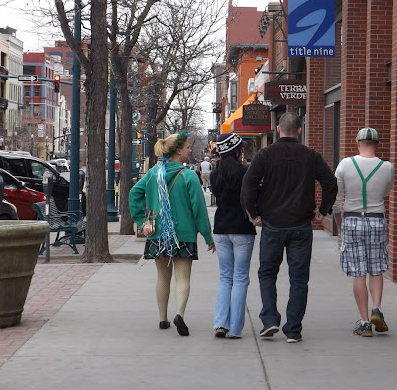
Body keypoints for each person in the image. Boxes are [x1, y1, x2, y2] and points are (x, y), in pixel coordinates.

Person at [240, 112, 337, 343]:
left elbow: (248, 186)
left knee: (266, 274)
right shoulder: (310, 155)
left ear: (277, 129)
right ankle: (293, 329)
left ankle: (270, 319)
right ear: (299, 131)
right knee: (299, 279)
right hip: (301, 226)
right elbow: (330, 183)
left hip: (272, 224)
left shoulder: (265, 155)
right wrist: (323, 210)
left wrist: (254, 214)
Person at [130, 131, 215, 337]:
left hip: (157, 233)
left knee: (162, 277)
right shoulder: (188, 176)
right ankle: (179, 314)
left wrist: (141, 220)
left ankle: (162, 318)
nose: (189, 150)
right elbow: (199, 210)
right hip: (184, 234)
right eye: (187, 147)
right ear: (178, 151)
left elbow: (134, 194)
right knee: (183, 278)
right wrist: (207, 236)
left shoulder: (153, 174)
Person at [332, 127, 395, 338]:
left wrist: (340, 223)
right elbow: (386, 191)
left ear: (358, 144)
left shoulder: (345, 165)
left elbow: (336, 199)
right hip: (377, 220)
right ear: (376, 144)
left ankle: (365, 322)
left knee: (358, 272)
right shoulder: (387, 167)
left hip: (352, 219)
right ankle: (377, 308)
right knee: (376, 269)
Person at [210, 132, 256, 339]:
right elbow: (251, 198)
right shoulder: (245, 173)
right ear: (236, 151)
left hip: (221, 228)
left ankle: (220, 322)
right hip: (242, 229)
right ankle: (236, 328)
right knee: (240, 278)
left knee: (225, 277)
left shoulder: (214, 174)